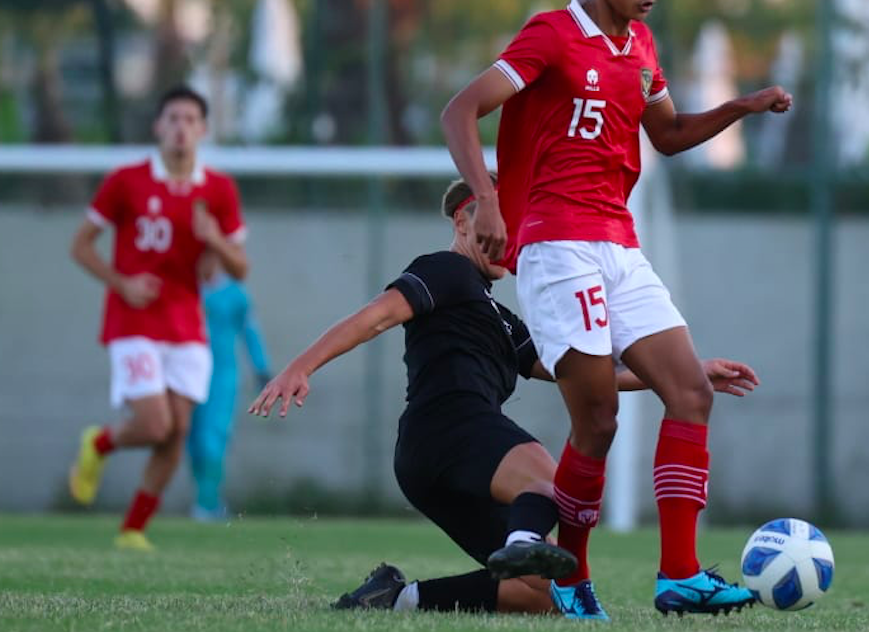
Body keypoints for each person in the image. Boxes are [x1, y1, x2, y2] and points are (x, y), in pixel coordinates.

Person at [438, 0, 792, 617]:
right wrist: (490, 199)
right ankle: (570, 573)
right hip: (556, 247)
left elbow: (665, 134)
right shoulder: (551, 35)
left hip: (619, 245)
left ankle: (679, 576)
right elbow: (459, 109)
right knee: (597, 422)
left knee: (688, 391)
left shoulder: (641, 48)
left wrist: (740, 106)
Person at [247, 179, 760, 617]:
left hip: (432, 462)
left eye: (513, 223)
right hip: (446, 426)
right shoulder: (444, 271)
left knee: (541, 591)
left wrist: (681, 375)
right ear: (462, 221)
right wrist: (301, 365)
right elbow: (377, 315)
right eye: (492, 217)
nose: (504, 234)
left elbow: (590, 377)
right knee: (546, 479)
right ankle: (523, 542)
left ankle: (398, 598)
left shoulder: (501, 317)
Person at [67, 85, 249, 550]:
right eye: (172, 118)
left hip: (187, 325)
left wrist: (215, 239)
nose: (181, 127)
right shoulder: (126, 180)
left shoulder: (219, 190)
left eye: (190, 119)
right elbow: (81, 245)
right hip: (133, 322)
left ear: (203, 130)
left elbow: (240, 268)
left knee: (179, 431)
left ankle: (132, 530)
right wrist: (122, 282)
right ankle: (100, 444)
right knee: (154, 424)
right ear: (158, 126)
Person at [187, 259, 272, 521]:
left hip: (221, 378)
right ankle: (209, 500)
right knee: (192, 442)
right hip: (187, 375)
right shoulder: (186, 289)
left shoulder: (235, 294)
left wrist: (262, 370)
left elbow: (250, 332)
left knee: (214, 439)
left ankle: (205, 504)